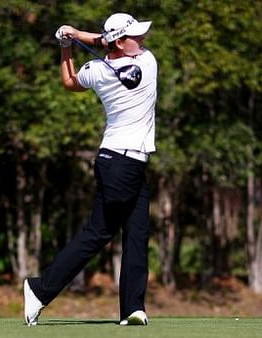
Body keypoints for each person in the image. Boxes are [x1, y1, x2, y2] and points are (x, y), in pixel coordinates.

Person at [23, 12, 157, 326]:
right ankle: (39, 289)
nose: (143, 39)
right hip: (119, 163)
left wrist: (66, 44)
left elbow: (70, 81)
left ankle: (132, 308)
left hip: (131, 163)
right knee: (99, 233)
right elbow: (101, 42)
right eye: (135, 36)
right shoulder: (146, 62)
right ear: (121, 43)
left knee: (137, 234)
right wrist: (76, 36)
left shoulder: (97, 70)